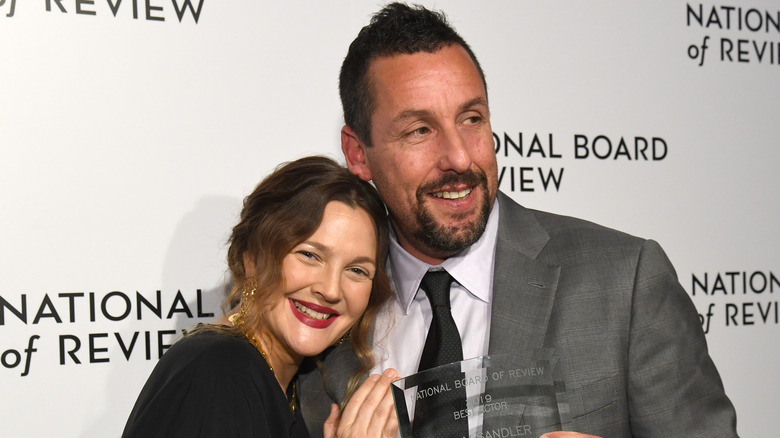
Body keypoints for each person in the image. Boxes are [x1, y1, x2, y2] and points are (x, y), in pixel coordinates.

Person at [297, 3, 739, 438]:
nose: (459, 156)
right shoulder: (322, 311)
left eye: (472, 119)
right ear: (358, 153)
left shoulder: (625, 283)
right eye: (419, 131)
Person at [122, 156, 398, 438]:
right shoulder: (219, 371)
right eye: (309, 255)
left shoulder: (285, 383)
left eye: (356, 270)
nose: (330, 290)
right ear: (252, 257)